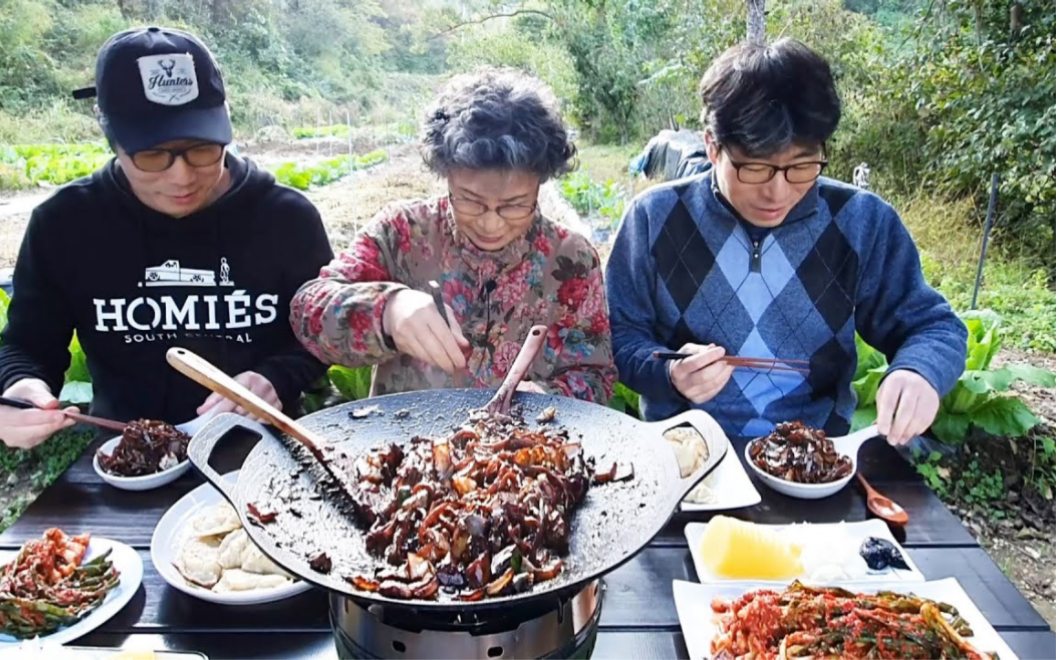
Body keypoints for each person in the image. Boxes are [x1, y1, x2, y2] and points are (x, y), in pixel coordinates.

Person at [605, 39, 967, 445]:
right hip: (685, 455)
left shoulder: (862, 221)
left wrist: (918, 371)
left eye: (801, 165)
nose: (778, 193)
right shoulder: (653, 218)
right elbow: (617, 334)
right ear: (712, 146)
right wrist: (667, 373)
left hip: (815, 457)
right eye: (756, 168)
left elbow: (934, 326)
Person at [0, 26, 333, 449]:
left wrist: (275, 379)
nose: (182, 176)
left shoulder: (286, 218)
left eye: (202, 149)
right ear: (112, 140)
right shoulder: (65, 224)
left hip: (262, 448)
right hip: (126, 451)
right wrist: (22, 386)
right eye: (153, 155)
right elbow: (27, 344)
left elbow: (321, 335)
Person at [291, 68, 615, 403]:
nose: (491, 224)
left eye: (515, 205)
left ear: (539, 185)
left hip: (522, 448)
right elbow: (307, 312)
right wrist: (387, 310)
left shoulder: (570, 259)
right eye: (470, 201)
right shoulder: (402, 234)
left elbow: (595, 375)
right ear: (446, 175)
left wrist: (542, 399)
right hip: (404, 445)